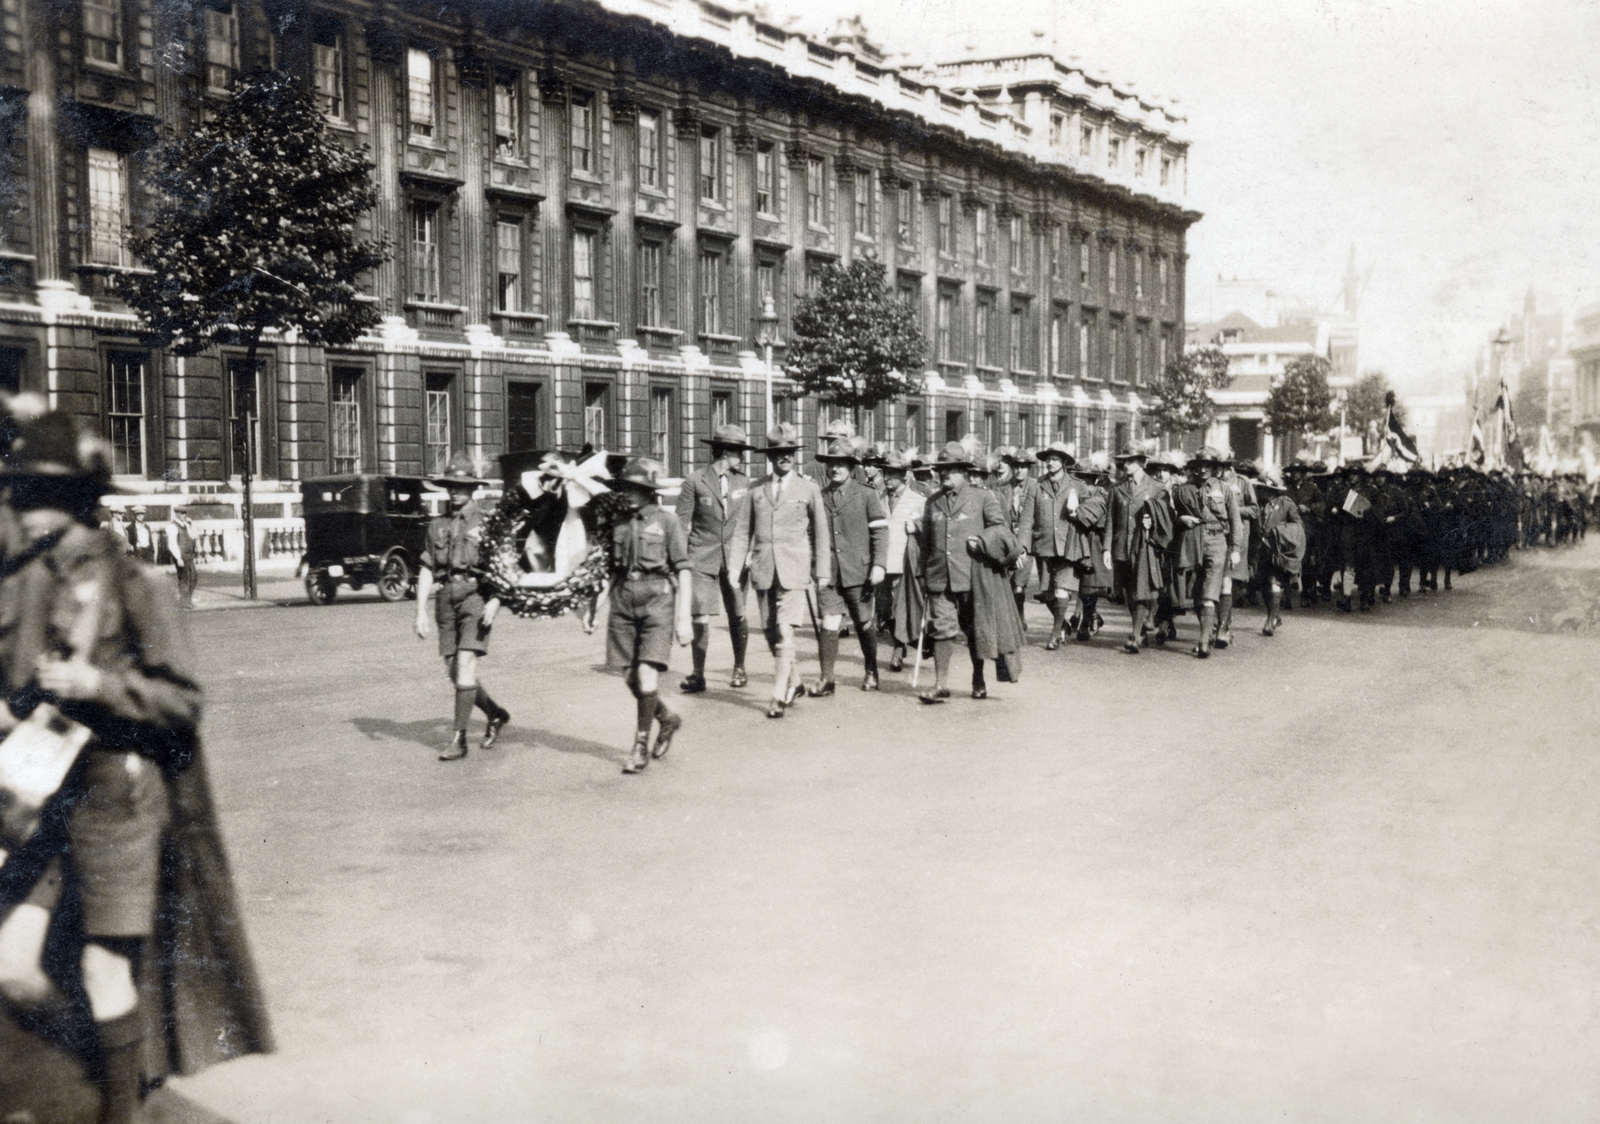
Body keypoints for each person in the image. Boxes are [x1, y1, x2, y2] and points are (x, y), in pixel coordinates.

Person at [0, 410, 271, 1124]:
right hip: (41, 796)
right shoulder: (32, 581)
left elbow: (183, 700)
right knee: (13, 966)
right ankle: (112, 1072)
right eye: (18, 493)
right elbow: (17, 686)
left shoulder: (136, 582)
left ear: (77, 502)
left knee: (102, 969)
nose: (22, 510)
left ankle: (120, 1103)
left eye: (35, 495)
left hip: (118, 799)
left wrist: (100, 688)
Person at [413, 453, 510, 761]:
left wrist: (496, 599)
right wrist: (419, 611)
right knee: (455, 672)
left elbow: (505, 567)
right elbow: (428, 567)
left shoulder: (488, 522)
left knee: (466, 666)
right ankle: (495, 713)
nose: (455, 490)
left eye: (461, 485)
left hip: (476, 598)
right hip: (446, 600)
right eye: (450, 485)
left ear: (473, 489)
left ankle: (459, 739)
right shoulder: (437, 525)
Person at [604, 458, 693, 774]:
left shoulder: (668, 523)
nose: (628, 493)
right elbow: (613, 572)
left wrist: (684, 619)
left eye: (635, 488)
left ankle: (639, 745)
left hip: (658, 601)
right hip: (624, 602)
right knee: (629, 676)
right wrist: (594, 607)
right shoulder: (618, 523)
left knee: (645, 675)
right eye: (625, 487)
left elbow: (683, 570)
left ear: (647, 491)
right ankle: (666, 718)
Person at [745, 424, 830, 719]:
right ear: (770, 456)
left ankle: (778, 694)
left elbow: (821, 533)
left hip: (794, 570)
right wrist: (734, 568)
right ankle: (795, 682)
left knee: (784, 632)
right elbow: (744, 531)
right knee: (770, 633)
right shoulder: (755, 488)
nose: (785, 458)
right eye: (779, 453)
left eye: (790, 453)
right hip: (764, 568)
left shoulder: (808, 488)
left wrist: (823, 572)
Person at [912, 442, 1008, 702]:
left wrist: (983, 541)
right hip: (939, 577)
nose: (945, 474)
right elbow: (927, 542)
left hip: (971, 576)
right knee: (942, 628)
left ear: (964, 471)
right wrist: (922, 574)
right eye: (942, 469)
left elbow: (1000, 528)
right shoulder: (932, 502)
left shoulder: (983, 497)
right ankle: (941, 684)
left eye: (952, 469)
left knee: (974, 630)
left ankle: (978, 677)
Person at [674, 424, 754, 694]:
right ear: (724, 451)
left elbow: (751, 522)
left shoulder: (744, 482)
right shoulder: (694, 481)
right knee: (700, 615)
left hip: (735, 559)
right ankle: (698, 673)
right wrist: (680, 561)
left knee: (738, 612)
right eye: (738, 451)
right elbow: (680, 524)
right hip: (701, 556)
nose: (741, 457)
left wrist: (750, 551)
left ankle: (739, 668)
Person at [813, 438, 888, 694]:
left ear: (851, 466)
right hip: (829, 572)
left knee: (863, 623)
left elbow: (879, 533)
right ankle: (827, 679)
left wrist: (878, 564)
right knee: (829, 622)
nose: (835, 469)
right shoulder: (819, 497)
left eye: (841, 464)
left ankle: (871, 670)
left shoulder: (866, 494)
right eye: (831, 464)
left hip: (859, 571)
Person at [1018, 441, 1086, 650]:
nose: (1050, 462)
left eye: (1055, 458)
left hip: (1069, 546)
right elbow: (1026, 519)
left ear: (1064, 462)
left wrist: (1079, 514)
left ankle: (1055, 634)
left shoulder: (1077, 485)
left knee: (1061, 591)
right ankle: (1062, 624)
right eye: (1048, 459)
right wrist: (1022, 546)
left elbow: (1094, 508)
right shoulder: (1036, 486)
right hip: (1044, 546)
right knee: (1048, 594)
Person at [1107, 442, 1169, 653]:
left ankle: (1135, 635)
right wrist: (1107, 549)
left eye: (1131, 460)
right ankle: (1140, 629)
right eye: (1124, 460)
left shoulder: (1156, 487)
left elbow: (1166, 518)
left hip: (1144, 544)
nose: (1126, 464)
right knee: (1127, 591)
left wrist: (1153, 526)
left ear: (1142, 462)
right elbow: (1110, 521)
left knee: (1140, 589)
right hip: (1121, 545)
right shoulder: (1117, 488)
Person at [1187, 447, 1243, 658]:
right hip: (1192, 541)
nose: (1203, 470)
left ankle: (1203, 641)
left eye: (1208, 466)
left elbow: (1235, 520)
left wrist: (1236, 548)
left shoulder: (1225, 489)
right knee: (1194, 590)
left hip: (1217, 541)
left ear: (1215, 468)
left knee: (1211, 589)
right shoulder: (1186, 488)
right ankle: (1207, 631)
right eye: (1199, 465)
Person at [877, 448, 926, 672]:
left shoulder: (917, 501)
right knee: (884, 609)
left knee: (899, 607)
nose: (887, 478)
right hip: (881, 564)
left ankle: (898, 650)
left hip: (903, 564)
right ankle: (905, 642)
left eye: (892, 473)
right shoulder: (877, 499)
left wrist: (916, 526)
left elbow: (928, 529)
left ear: (904, 475)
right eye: (885, 473)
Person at [1254, 470, 1304, 636]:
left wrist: (1280, 533)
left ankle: (1270, 621)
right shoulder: (1258, 504)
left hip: (1278, 552)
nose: (1261, 492)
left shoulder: (1286, 503)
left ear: (1273, 490)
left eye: (1265, 489)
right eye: (1260, 488)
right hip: (1261, 552)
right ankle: (1275, 616)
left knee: (1274, 582)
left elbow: (1298, 527)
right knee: (1263, 586)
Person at [166, 507, 199, 609]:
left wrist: (191, 524)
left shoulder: (185, 525)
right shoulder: (172, 526)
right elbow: (172, 544)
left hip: (189, 555)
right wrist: (178, 558)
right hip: (181, 556)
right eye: (182, 513)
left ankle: (187, 599)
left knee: (193, 577)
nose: (184, 515)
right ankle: (184, 601)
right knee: (184, 578)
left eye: (185, 513)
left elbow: (195, 536)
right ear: (177, 514)